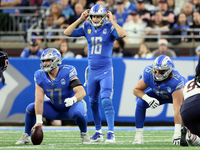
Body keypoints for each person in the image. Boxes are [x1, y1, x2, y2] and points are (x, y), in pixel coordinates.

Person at [64, 4, 127, 143]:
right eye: (94, 16)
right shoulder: (87, 27)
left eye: (99, 16)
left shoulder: (110, 28)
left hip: (105, 71)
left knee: (106, 100)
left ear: (104, 17)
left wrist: (113, 21)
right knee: (92, 102)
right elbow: (67, 33)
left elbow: (123, 34)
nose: (96, 19)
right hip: (92, 71)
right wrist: (80, 19)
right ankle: (98, 132)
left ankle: (111, 133)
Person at [15, 48, 90, 145]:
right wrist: (38, 122)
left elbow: (82, 92)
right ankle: (26, 135)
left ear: (56, 60)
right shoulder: (40, 75)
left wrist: (73, 99)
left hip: (71, 107)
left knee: (79, 113)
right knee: (30, 107)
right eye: (44, 61)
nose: (45, 63)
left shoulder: (67, 71)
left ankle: (84, 134)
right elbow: (39, 100)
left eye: (48, 60)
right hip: (54, 108)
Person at [132, 55, 187, 145]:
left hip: (174, 95)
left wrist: (177, 134)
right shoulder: (148, 72)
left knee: (183, 110)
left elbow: (178, 109)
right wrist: (148, 99)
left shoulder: (176, 81)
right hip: (158, 94)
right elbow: (136, 90)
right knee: (140, 102)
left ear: (169, 70)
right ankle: (138, 136)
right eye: (156, 70)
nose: (157, 73)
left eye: (161, 71)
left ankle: (187, 132)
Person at [180, 56, 200, 146]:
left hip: (186, 111)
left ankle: (191, 136)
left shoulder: (187, 83)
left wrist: (182, 127)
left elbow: (181, 106)